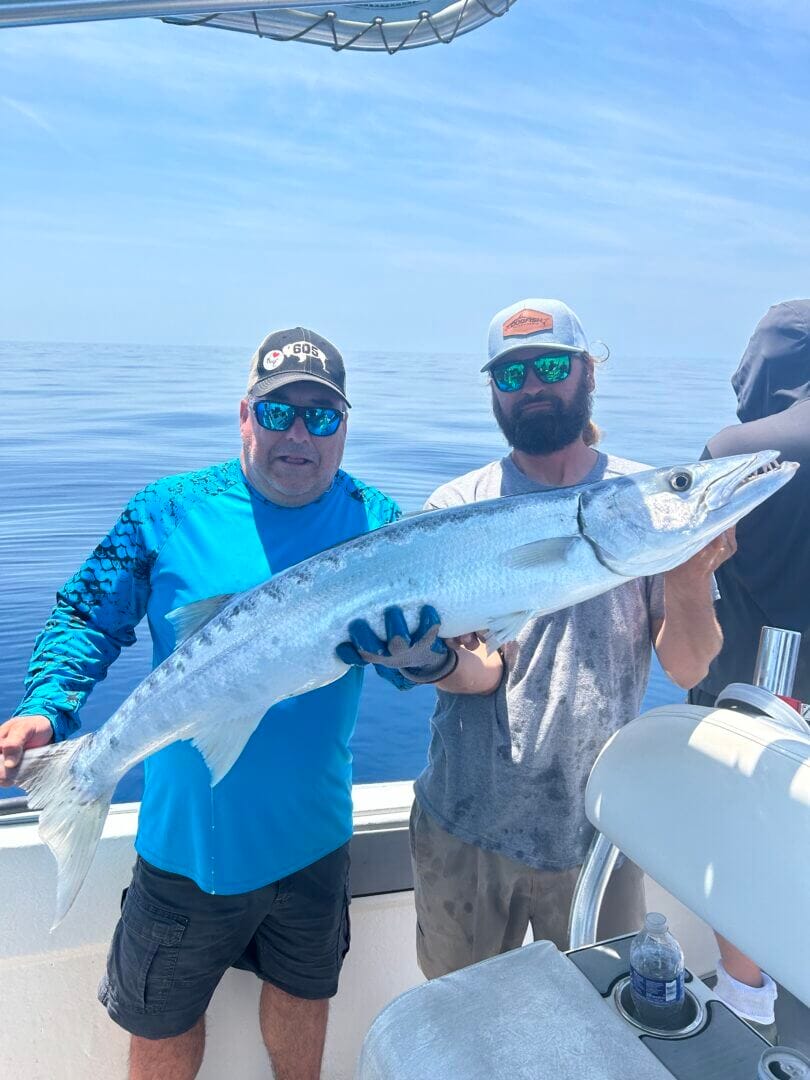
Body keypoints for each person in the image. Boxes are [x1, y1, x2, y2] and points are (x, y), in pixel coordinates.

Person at [0, 328, 402, 1080]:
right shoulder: (168, 509)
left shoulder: (380, 522)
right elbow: (88, 614)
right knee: (162, 1026)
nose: (298, 434)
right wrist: (48, 708)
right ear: (244, 415)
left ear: (345, 427)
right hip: (186, 846)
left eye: (321, 417)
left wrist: (426, 657)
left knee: (303, 999)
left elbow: (410, 668)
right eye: (279, 411)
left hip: (315, 839)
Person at [341, 298, 735, 979]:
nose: (532, 386)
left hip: (597, 829)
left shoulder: (642, 502)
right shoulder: (457, 507)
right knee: (462, 1025)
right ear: (493, 390)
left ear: (587, 372)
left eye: (550, 365)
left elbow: (688, 659)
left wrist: (690, 575)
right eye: (511, 374)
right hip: (462, 825)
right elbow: (484, 669)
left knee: (598, 1024)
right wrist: (430, 660)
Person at [688, 298, 810, 1037]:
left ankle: (746, 999)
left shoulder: (738, 444)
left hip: (746, 694)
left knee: (739, 851)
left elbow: (698, 569)